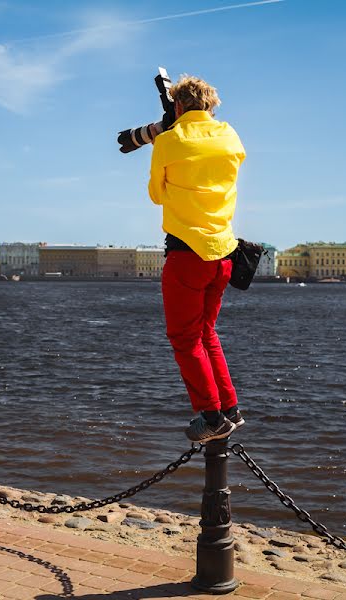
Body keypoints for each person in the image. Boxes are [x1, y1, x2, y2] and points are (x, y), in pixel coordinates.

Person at [148, 75, 246, 443]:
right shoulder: (231, 137)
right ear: (211, 106)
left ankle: (211, 415)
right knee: (207, 333)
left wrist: (168, 136)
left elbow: (157, 195)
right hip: (224, 253)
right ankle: (231, 409)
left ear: (177, 107)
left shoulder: (168, 142)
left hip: (187, 254)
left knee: (184, 338)